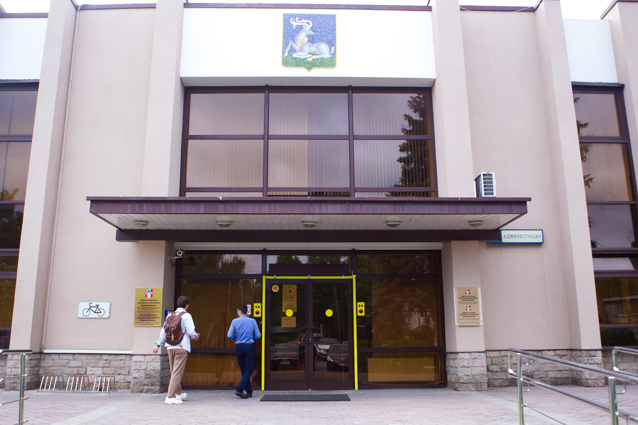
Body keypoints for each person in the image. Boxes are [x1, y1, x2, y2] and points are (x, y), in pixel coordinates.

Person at [153, 295, 200, 405]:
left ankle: (178, 394)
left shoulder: (170, 315)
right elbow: (191, 331)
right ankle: (169, 397)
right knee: (177, 373)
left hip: (170, 346)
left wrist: (158, 344)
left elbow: (164, 331)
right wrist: (195, 336)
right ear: (186, 305)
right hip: (181, 347)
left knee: (174, 371)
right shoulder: (186, 316)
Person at [227, 304, 261, 399]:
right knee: (249, 369)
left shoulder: (234, 321)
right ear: (247, 312)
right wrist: (251, 337)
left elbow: (229, 335)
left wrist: (236, 338)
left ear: (239, 312)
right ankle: (240, 390)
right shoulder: (252, 321)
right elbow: (258, 335)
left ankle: (249, 391)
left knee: (244, 370)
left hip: (239, 347)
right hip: (249, 346)